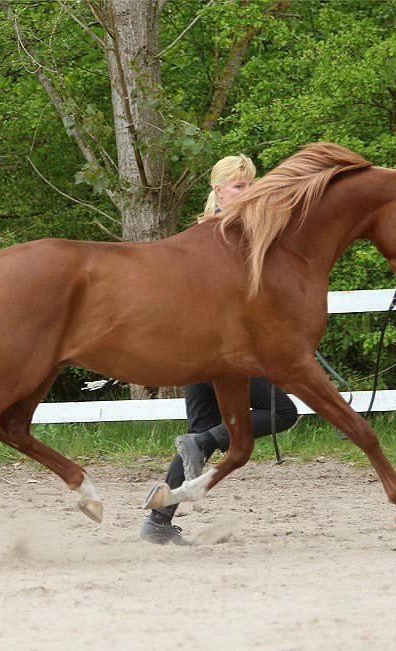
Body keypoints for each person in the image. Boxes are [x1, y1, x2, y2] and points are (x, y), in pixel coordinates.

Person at [140, 154, 299, 546]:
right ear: (218, 190)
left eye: (251, 185)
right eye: (239, 187)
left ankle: (158, 522)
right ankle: (204, 447)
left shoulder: (231, 231)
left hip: (195, 351)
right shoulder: (218, 234)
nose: (248, 192)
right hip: (216, 352)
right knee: (281, 411)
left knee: (198, 433)